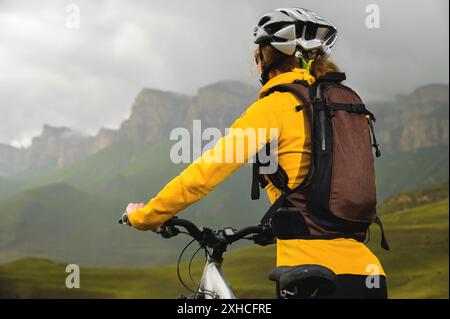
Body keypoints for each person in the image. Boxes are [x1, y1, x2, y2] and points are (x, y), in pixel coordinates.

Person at [123, 8, 387, 299]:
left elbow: (202, 176)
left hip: (313, 277)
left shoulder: (274, 107)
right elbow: (325, 185)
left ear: (263, 58)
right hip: (368, 275)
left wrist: (146, 217)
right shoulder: (342, 108)